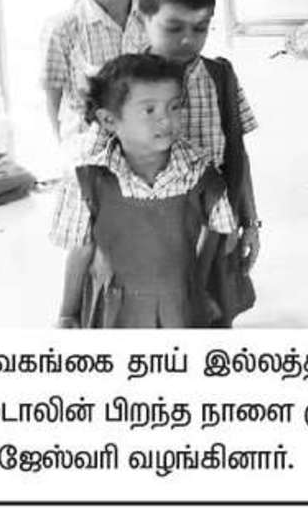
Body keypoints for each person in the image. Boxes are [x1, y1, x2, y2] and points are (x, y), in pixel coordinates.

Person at [51, 53, 236, 328]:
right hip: (112, 309)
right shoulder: (87, 178)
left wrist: (199, 286)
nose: (166, 120)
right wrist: (67, 313)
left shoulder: (199, 171)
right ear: (109, 120)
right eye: (149, 110)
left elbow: (221, 233)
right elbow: (80, 249)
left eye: (174, 107)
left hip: (180, 307)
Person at [139, 0, 261, 326]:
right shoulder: (123, 83)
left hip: (217, 226)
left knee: (215, 316)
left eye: (201, 28)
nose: (188, 40)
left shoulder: (220, 76)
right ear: (144, 19)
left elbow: (237, 153)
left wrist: (249, 221)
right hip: (149, 236)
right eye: (173, 27)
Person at [40, 0, 150, 141]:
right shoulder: (62, 29)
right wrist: (64, 148)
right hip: (89, 148)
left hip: (145, 145)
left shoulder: (154, 19)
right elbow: (53, 94)